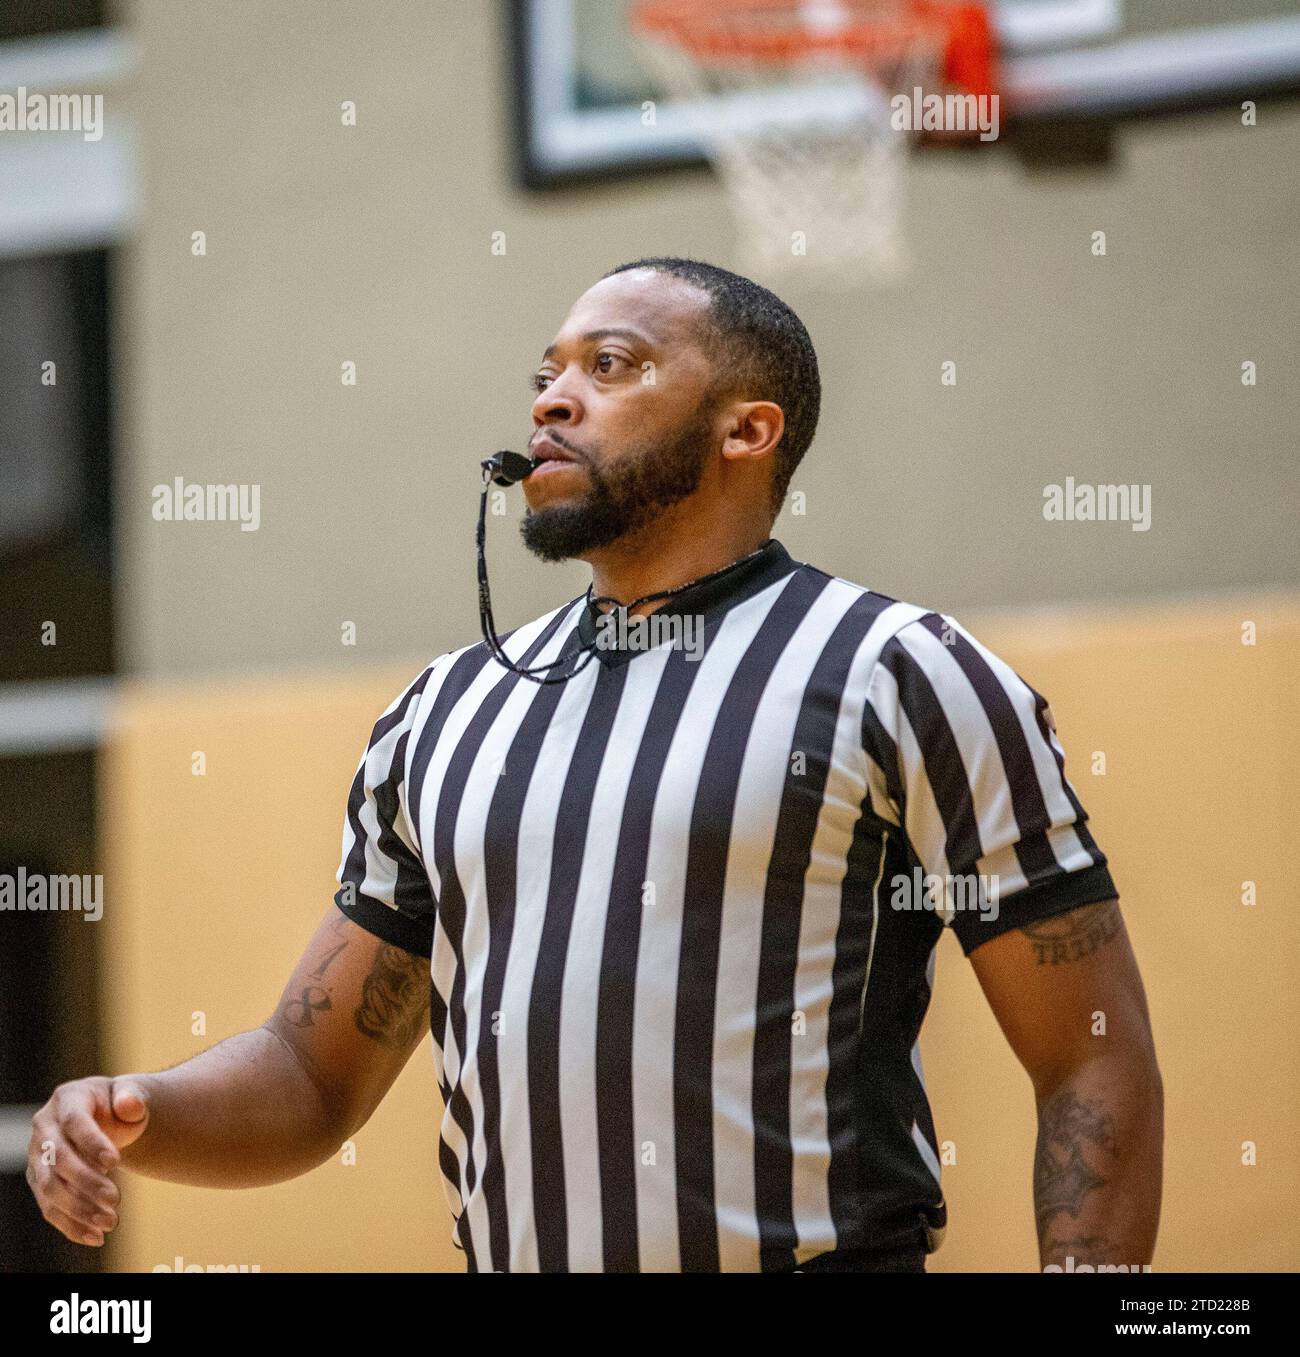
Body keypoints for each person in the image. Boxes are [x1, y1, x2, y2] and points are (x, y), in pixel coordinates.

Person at [27, 257, 1163, 1274]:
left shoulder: (898, 671)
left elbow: (1091, 1053)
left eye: (609, 365)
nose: (550, 398)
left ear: (745, 430)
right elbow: (310, 1079)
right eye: (547, 371)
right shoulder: (442, 712)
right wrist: (134, 1108)